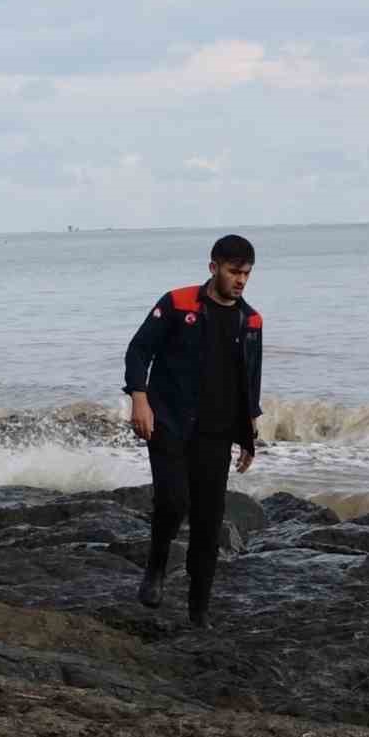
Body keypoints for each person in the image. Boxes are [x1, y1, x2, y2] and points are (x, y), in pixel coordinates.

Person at [122, 235, 263, 628]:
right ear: (213, 267)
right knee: (172, 501)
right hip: (168, 420)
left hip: (215, 433)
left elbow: (249, 380)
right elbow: (138, 351)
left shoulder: (250, 320)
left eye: (247, 273)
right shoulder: (176, 303)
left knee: (208, 521)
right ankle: (156, 565)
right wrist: (139, 397)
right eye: (234, 272)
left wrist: (248, 433)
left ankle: (198, 612)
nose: (241, 281)